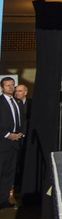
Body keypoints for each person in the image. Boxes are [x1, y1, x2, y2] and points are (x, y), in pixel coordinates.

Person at [0, 77, 24, 210]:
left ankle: (6, 199)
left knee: (10, 172)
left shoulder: (18, 102)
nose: (10, 87)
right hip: (3, 142)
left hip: (16, 142)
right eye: (7, 85)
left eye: (12, 85)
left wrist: (21, 134)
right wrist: (9, 135)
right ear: (2, 87)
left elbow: (22, 121)